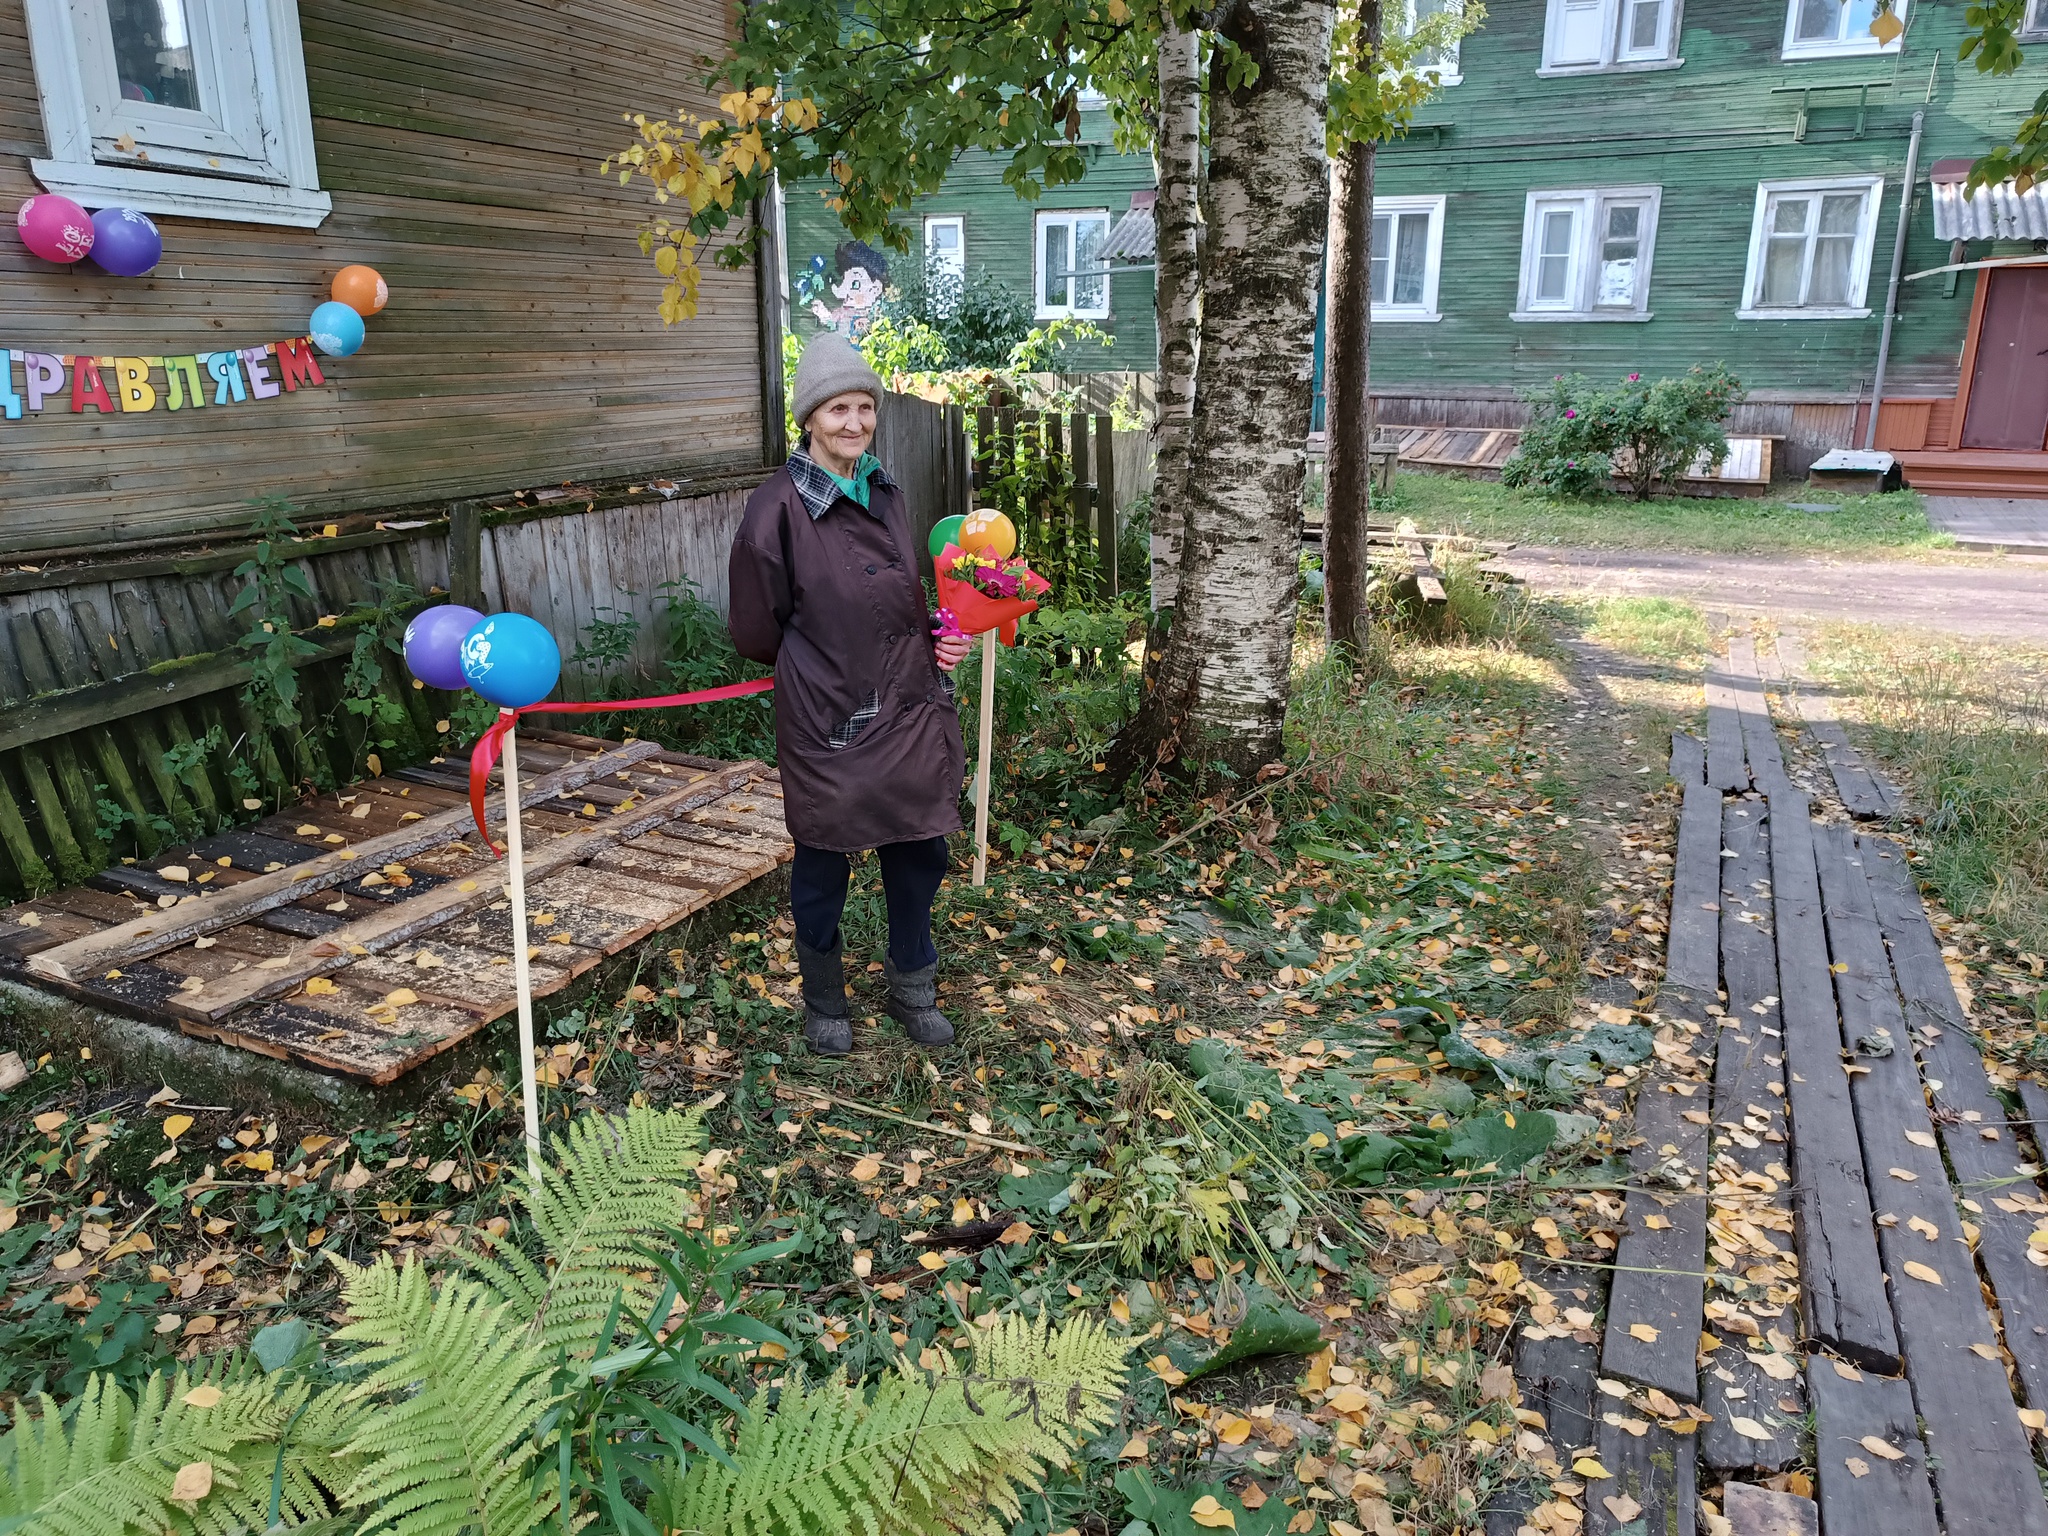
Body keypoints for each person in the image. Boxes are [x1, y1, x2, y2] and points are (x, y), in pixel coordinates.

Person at [727, 333, 974, 1056]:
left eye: (865, 407)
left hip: (908, 704)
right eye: (839, 408)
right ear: (810, 418)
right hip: (828, 715)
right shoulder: (774, 510)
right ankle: (825, 1000)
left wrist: (937, 635)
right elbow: (753, 630)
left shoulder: (886, 490)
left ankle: (913, 988)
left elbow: (900, 597)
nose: (855, 423)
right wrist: (831, 661)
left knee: (918, 849)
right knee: (823, 859)